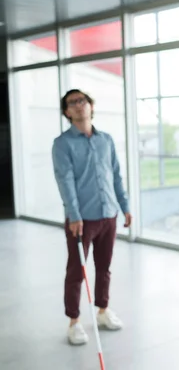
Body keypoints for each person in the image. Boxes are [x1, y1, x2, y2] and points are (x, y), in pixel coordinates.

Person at [52, 89, 132, 345]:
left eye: (82, 100)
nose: (78, 105)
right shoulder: (62, 144)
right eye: (72, 103)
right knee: (77, 271)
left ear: (91, 105)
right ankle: (74, 321)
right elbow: (65, 182)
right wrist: (74, 216)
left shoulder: (105, 140)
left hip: (109, 214)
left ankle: (102, 310)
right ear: (67, 112)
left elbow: (116, 175)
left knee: (104, 267)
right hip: (81, 220)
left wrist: (125, 206)